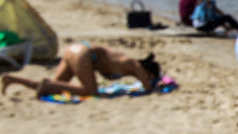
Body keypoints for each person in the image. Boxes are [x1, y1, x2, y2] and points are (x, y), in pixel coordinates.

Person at [2, 43, 161, 98]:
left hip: (76, 51)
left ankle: (14, 79)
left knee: (54, 86)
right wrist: (156, 85)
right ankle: (44, 84)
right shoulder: (135, 65)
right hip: (84, 55)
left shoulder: (128, 64)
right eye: (150, 77)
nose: (148, 79)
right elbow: (148, 88)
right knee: (90, 91)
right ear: (149, 72)